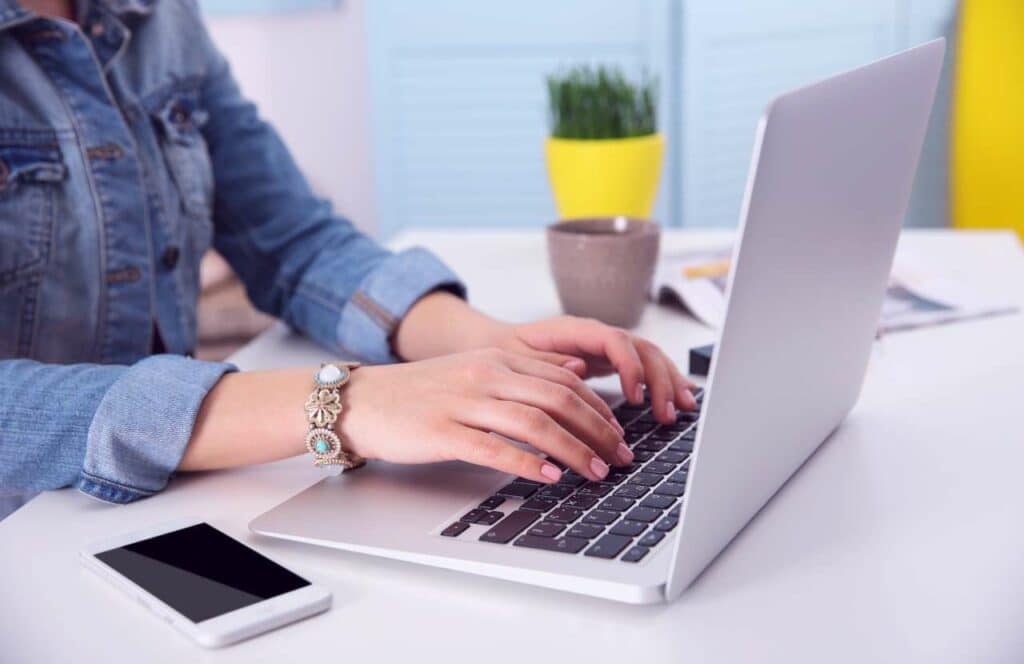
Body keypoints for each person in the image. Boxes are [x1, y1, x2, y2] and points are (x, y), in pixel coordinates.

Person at [0, 0, 695, 518]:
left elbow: (292, 236)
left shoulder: (160, 17)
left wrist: (487, 344)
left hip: (158, 508)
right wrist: (341, 403)